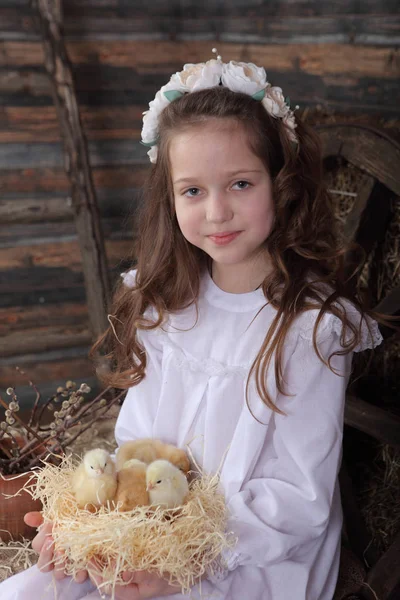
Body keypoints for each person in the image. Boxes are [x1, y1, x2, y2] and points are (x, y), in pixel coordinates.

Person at [1, 52, 383, 600]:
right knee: (30, 591)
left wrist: (187, 560)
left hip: (251, 552)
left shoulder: (309, 327)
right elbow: (138, 441)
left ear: (281, 181)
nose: (217, 212)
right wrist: (89, 519)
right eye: (193, 191)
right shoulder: (166, 303)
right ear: (171, 196)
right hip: (152, 528)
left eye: (241, 185)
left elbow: (300, 498)